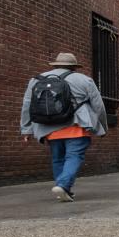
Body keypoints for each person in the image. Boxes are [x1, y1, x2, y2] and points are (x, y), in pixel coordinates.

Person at [20, 52, 107, 202]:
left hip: (49, 128)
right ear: (74, 67)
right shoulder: (84, 80)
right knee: (73, 156)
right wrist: (102, 126)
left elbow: (27, 105)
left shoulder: (36, 80)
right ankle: (63, 185)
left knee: (58, 158)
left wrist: (26, 129)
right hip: (77, 127)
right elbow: (98, 105)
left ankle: (63, 188)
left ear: (55, 64)